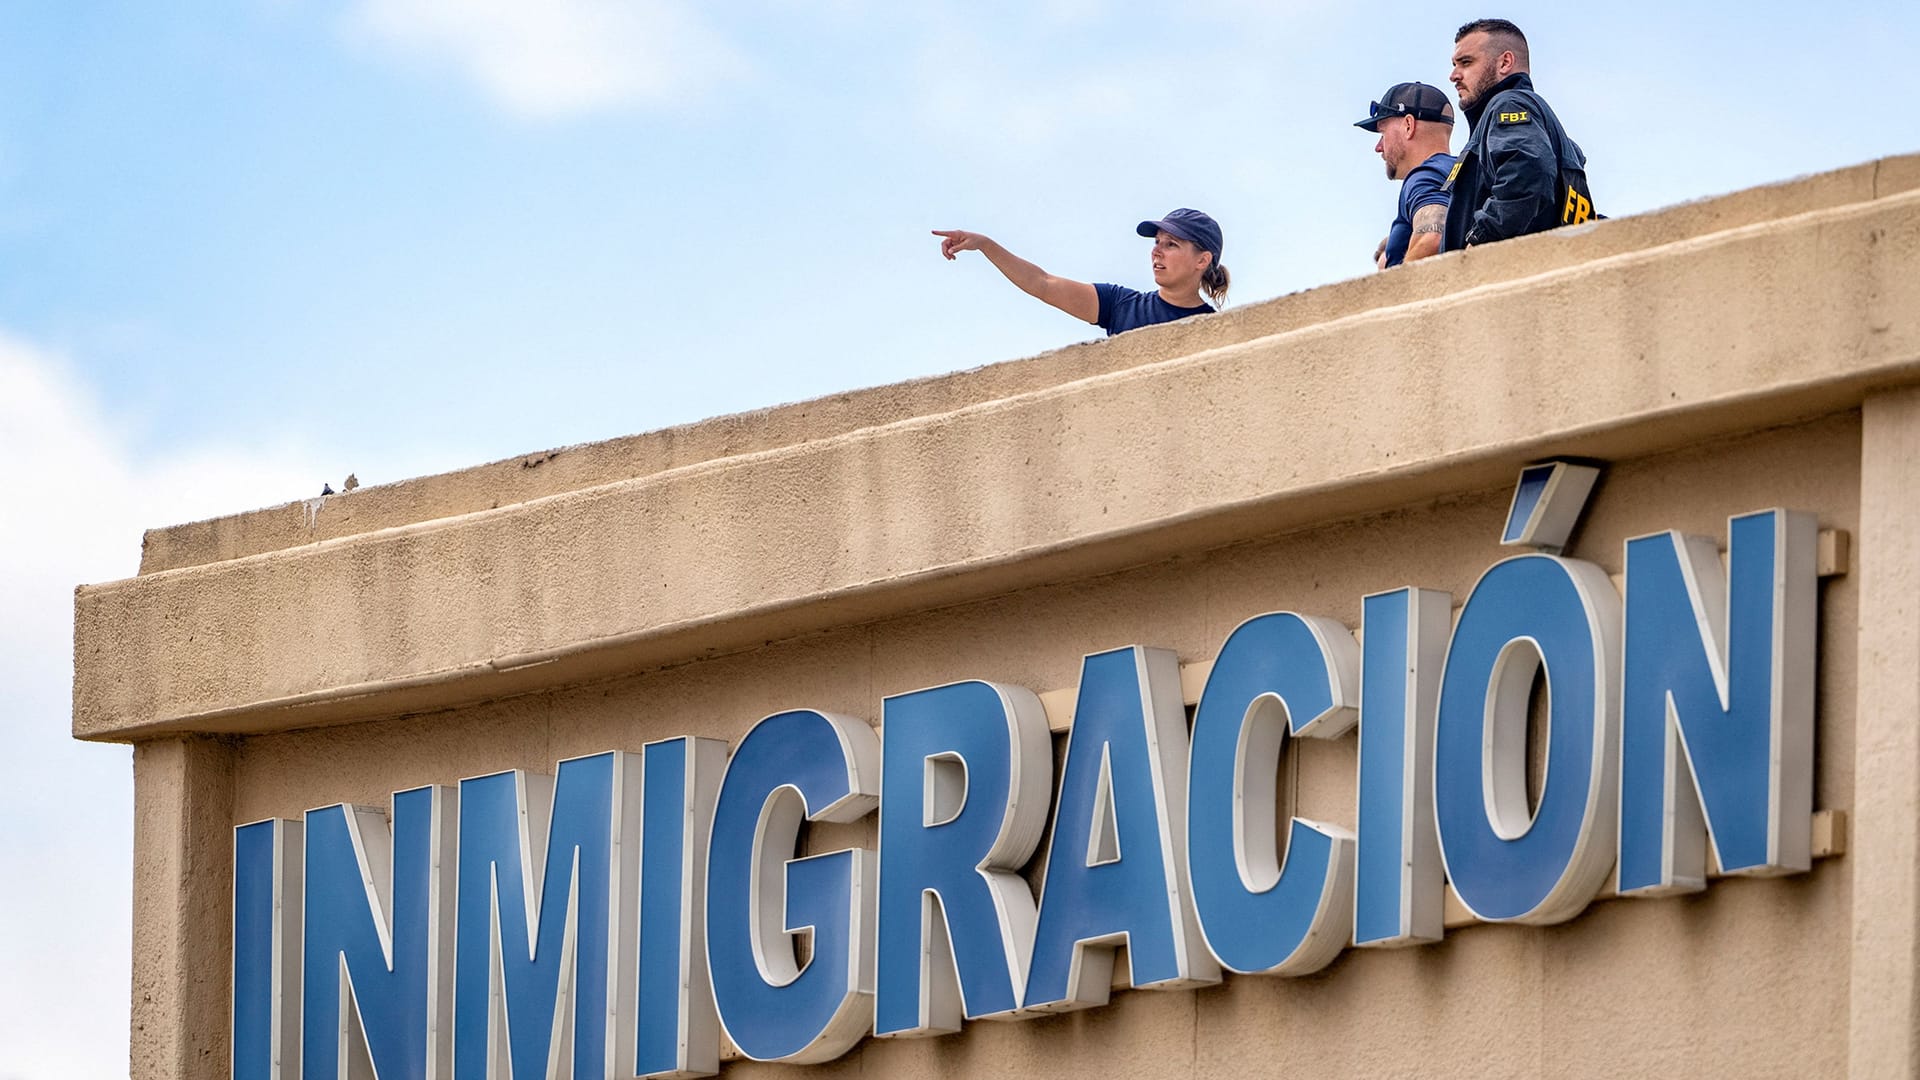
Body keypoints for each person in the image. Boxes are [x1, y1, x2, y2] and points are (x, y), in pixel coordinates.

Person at [933, 209, 1229, 337]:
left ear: (1202, 260)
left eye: (1172, 244)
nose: (1157, 251)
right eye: (1157, 242)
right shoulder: (1120, 306)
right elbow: (1043, 284)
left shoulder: (1216, 329)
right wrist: (985, 245)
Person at [1442, 18, 1594, 252]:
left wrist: (1482, 237)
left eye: (1466, 62)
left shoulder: (1509, 104)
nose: (1454, 75)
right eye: (1454, 64)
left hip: (1501, 276)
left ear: (1505, 63)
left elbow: (1527, 172)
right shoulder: (1550, 133)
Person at [1353, 82, 1458, 269]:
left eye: (1382, 133)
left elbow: (1432, 237)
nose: (1378, 147)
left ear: (1408, 126)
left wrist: (1395, 288)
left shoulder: (1424, 176)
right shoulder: (1458, 171)